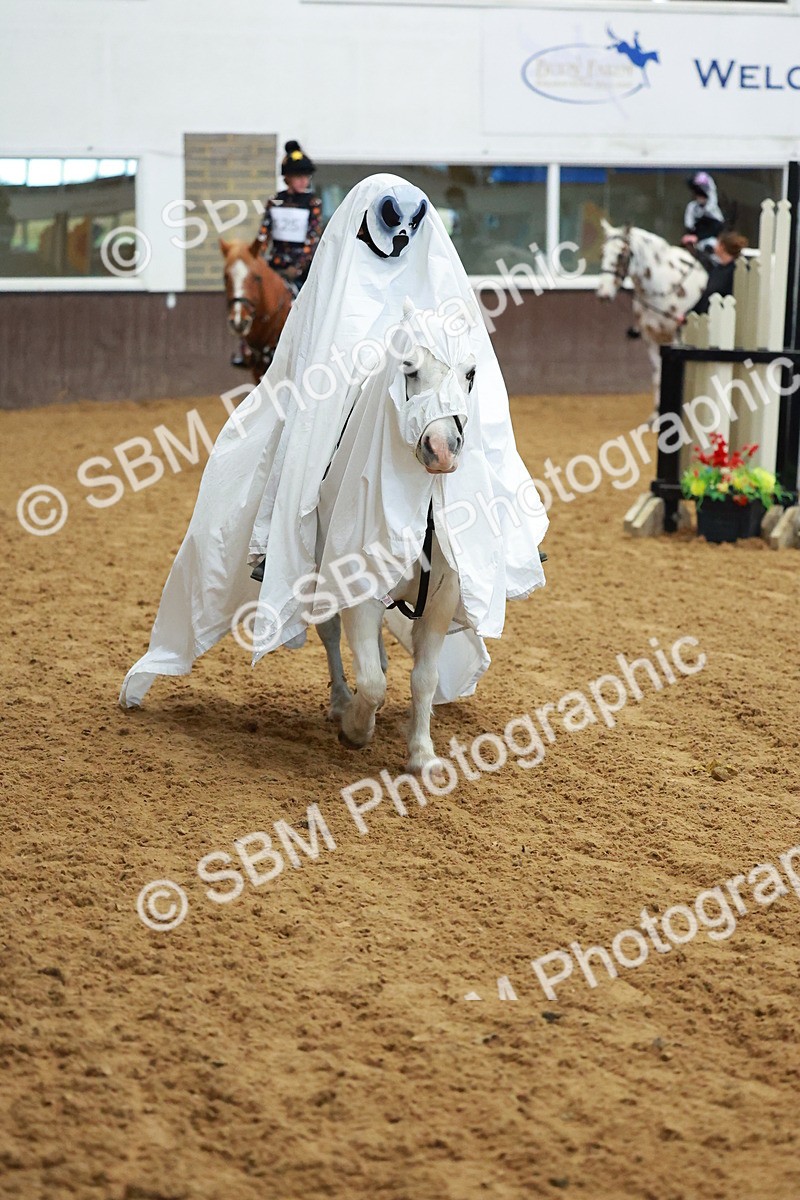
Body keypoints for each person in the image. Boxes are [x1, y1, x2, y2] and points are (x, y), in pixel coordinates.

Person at [120, 173, 549, 709]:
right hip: (346, 374)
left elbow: (459, 336)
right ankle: (274, 534)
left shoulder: (428, 262)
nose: (400, 240)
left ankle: (505, 528)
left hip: (421, 381)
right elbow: (313, 349)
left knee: (480, 405)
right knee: (303, 421)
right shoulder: (337, 270)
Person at [231, 140, 322, 368]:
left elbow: (312, 239)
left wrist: (298, 266)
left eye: (306, 176)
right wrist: (254, 256)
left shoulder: (313, 203)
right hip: (276, 264)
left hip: (302, 268)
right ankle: (247, 348)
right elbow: (264, 234)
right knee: (251, 294)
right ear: (287, 178)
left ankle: (312, 348)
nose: (304, 180)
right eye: (299, 176)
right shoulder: (275, 202)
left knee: (313, 302)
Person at [677, 232, 749, 322]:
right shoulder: (717, 269)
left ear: (722, 246)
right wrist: (687, 315)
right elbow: (706, 296)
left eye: (717, 243)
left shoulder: (735, 270)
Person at [681, 171, 725, 254]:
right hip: (696, 243)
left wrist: (698, 237)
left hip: (710, 242)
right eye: (698, 195)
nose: (699, 198)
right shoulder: (693, 208)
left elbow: (716, 228)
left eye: (702, 196)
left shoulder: (712, 210)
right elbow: (690, 227)